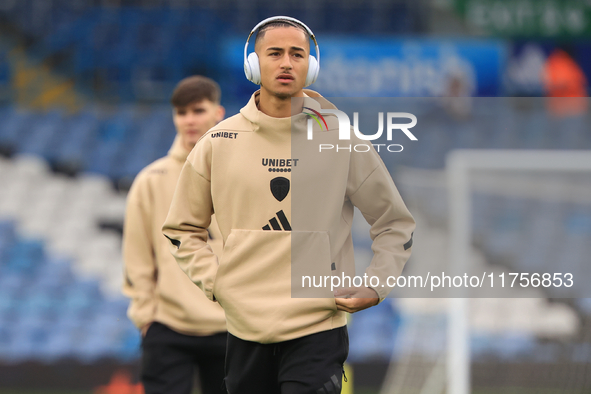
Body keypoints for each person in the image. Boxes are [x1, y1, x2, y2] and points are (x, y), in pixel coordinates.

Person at [162, 17, 415, 394]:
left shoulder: (342, 140)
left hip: (318, 329)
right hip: (245, 329)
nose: (286, 63)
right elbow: (182, 228)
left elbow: (393, 222)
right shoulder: (218, 142)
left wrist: (376, 284)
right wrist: (219, 283)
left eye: (297, 54)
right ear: (254, 64)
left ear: (310, 67)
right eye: (274, 53)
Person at [122, 76, 227, 394]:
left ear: (218, 113)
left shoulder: (242, 175)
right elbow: (137, 256)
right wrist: (146, 317)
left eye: (198, 110)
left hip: (233, 327)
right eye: (182, 112)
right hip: (168, 328)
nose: (190, 120)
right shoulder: (151, 180)